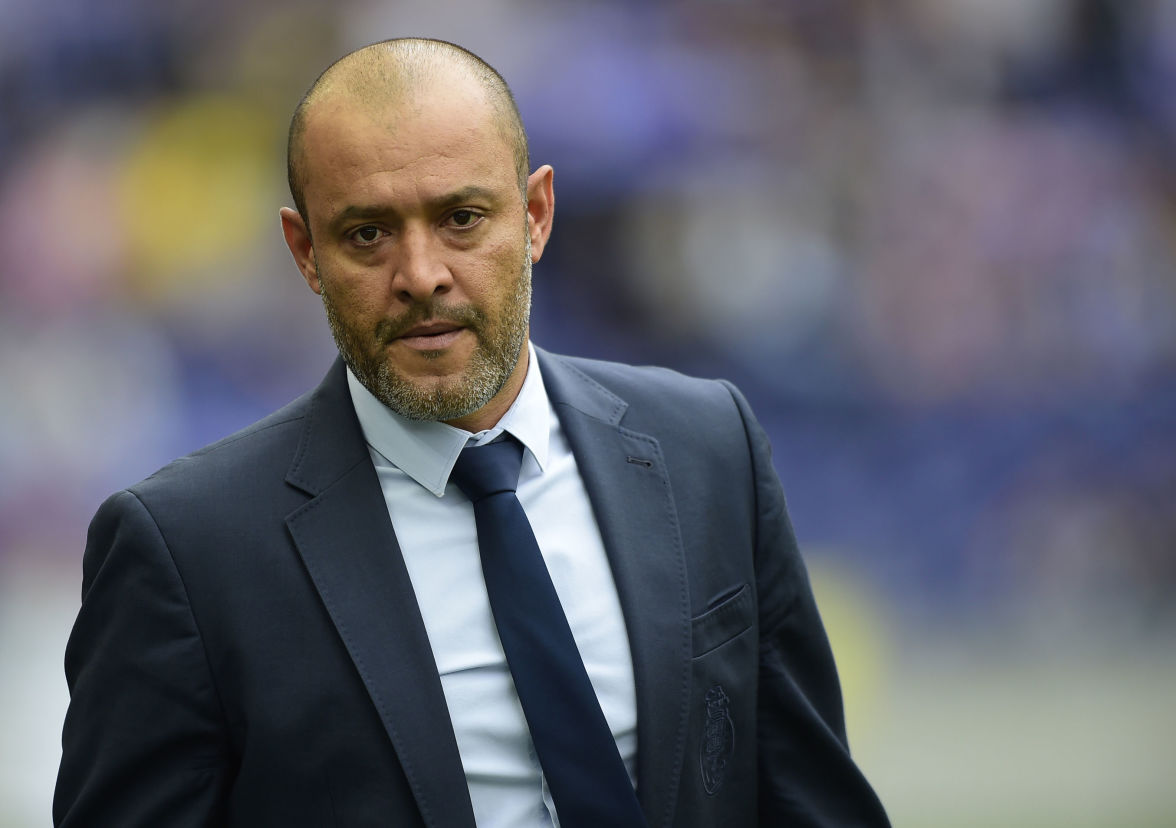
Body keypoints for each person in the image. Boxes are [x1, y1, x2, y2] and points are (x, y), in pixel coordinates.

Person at [54, 38, 890, 828]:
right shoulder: (187, 551)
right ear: (305, 252)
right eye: (367, 234)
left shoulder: (708, 448)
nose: (421, 276)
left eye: (461, 218)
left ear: (535, 214)